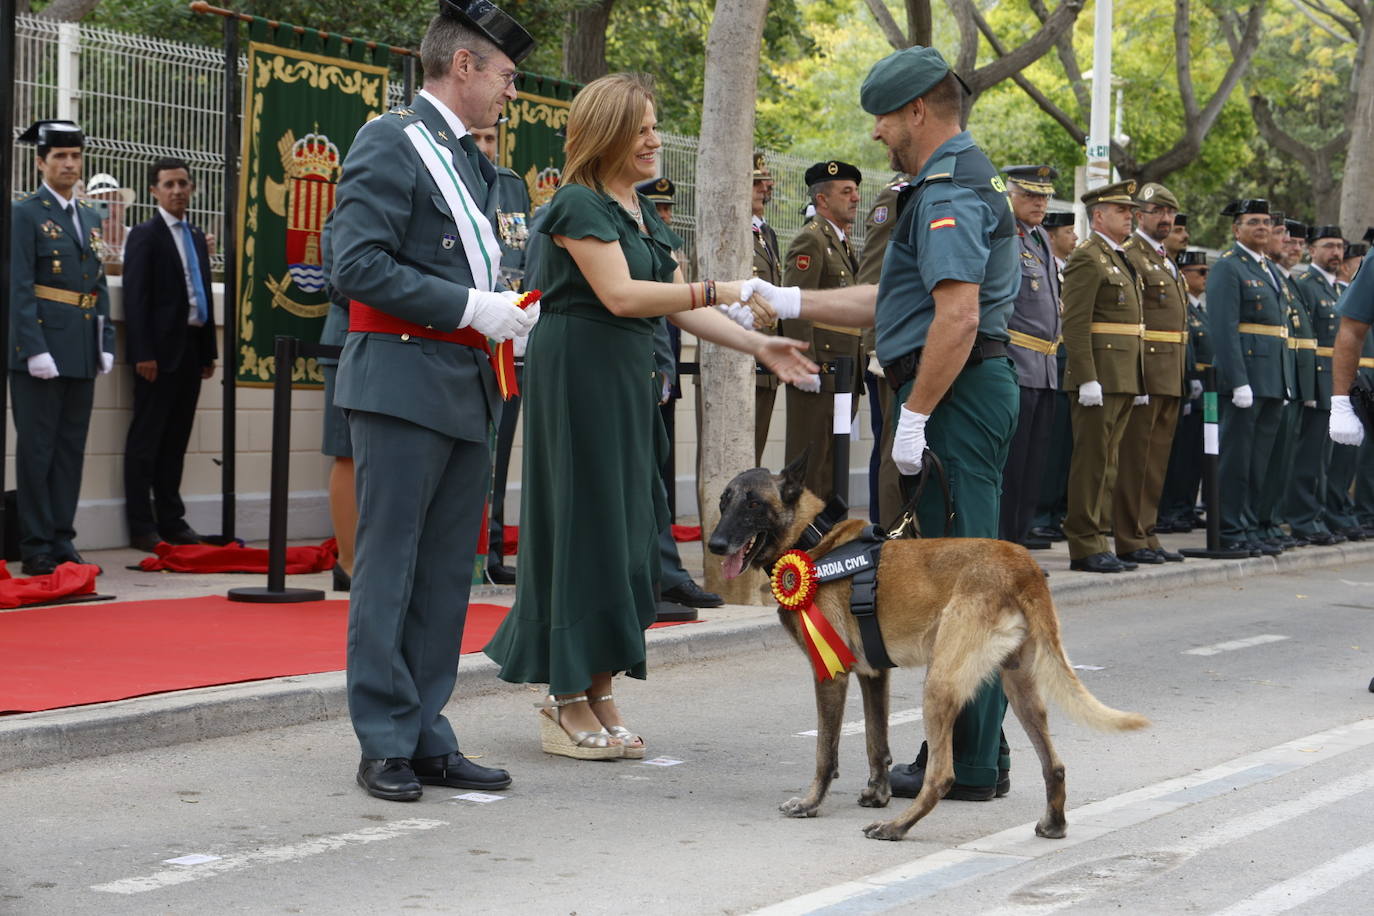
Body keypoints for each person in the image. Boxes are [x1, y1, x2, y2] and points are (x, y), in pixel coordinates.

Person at [483, 72, 816, 761]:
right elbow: (622, 296)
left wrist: (756, 341)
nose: (654, 138)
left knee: (627, 530)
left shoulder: (635, 208)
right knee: (583, 530)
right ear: (604, 134)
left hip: (626, 378)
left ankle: (599, 686)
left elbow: (670, 300)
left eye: (654, 124)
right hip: (579, 379)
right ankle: (564, 694)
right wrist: (730, 285)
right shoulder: (576, 204)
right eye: (639, 128)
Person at [738, 44, 1022, 803]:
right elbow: (891, 303)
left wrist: (916, 417)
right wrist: (790, 301)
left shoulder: (950, 188)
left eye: (884, 118)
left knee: (968, 584)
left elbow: (956, 318)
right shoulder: (941, 183)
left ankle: (965, 761)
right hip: (947, 393)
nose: (876, 135)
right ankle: (976, 751)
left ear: (917, 111)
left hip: (951, 397)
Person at [329, 0, 540, 801]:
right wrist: (467, 308)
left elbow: (482, 267)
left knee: (447, 573)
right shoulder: (391, 142)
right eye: (505, 76)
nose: (509, 92)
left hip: (466, 385)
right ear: (464, 67)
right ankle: (382, 738)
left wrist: (509, 311)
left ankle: (424, 732)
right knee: (392, 568)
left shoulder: (474, 163)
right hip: (403, 377)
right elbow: (356, 264)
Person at [9, 119, 115, 575]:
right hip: (40, 350)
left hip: (80, 348)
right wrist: (32, 348)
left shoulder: (90, 217)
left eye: (75, 156)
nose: (69, 164)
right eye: (60, 157)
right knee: (37, 449)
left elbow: (98, 284)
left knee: (71, 448)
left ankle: (61, 537)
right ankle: (34, 544)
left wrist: (105, 341)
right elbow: (17, 287)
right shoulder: (25, 213)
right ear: (41, 162)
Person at [122, 157, 218, 553]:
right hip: (157, 356)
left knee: (176, 441)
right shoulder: (145, 235)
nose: (177, 190)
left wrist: (208, 351)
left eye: (183, 183)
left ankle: (171, 520)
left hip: (191, 352)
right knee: (146, 441)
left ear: (192, 188)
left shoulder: (196, 236)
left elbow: (202, 294)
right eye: (168, 184)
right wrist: (142, 352)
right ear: (154, 191)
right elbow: (136, 297)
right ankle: (142, 526)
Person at [1061, 180, 1146, 573]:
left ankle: (1100, 537)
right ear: (1098, 215)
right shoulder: (1088, 257)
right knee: (1091, 462)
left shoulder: (1119, 256)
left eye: (1130, 211)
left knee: (1109, 463)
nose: (1130, 216)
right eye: (1121, 211)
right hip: (1100, 376)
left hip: (1123, 375)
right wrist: (1086, 377)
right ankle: (1083, 543)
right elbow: (1075, 324)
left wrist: (1139, 379)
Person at [1206, 199, 1287, 556]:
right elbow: (1223, 328)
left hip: (1270, 377)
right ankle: (1229, 527)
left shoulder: (1267, 267)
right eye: (1253, 221)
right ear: (1236, 228)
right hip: (1246, 379)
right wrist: (1238, 380)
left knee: (1259, 461)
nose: (1262, 227)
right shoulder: (1228, 267)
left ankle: (1251, 524)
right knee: (1236, 460)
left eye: (1267, 222)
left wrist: (1284, 381)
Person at [781, 160, 864, 502]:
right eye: (847, 192)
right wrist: (803, 366)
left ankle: (827, 541)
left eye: (856, 190)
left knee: (834, 462)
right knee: (810, 464)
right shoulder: (810, 241)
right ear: (822, 200)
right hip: (820, 370)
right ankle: (799, 546)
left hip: (844, 371)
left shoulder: (842, 243)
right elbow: (796, 306)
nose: (856, 198)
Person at [471, 123, 532, 585]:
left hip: (511, 339)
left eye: (490, 139)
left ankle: (491, 550)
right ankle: (467, 552)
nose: (484, 147)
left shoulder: (510, 185)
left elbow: (522, 256)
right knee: (471, 449)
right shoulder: (447, 176)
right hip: (466, 328)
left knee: (503, 450)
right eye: (476, 139)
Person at [1115, 182, 1188, 564]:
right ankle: (1128, 537)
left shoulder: (1163, 258)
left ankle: (1147, 531)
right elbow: (1134, 322)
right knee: (1135, 460)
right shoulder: (1132, 255)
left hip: (1169, 373)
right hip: (1145, 372)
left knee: (1156, 461)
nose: (1165, 219)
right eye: (1157, 211)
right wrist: (1138, 375)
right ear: (1140, 214)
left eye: (1169, 212)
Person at [997, 165, 1061, 552]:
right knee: (1013, 470)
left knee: (1033, 469)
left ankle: (1018, 548)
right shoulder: (1004, 234)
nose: (1040, 203)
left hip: (1046, 368)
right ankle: (1003, 549)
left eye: (1044, 196)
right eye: (1031, 195)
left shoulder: (1041, 239)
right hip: (1016, 365)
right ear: (1011, 195)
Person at [855, 168, 913, 525]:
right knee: (894, 449)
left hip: (923, 342)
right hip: (894, 348)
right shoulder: (896, 195)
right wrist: (877, 345)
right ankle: (889, 538)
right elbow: (873, 273)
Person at [1289, 225, 1347, 545]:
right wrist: (1308, 388)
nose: (1336, 253)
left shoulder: (1339, 290)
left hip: (1336, 382)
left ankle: (1317, 515)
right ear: (1312, 250)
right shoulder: (1306, 285)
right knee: (1308, 456)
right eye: (1328, 246)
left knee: (1326, 458)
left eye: (1339, 246)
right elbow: (1304, 342)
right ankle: (1301, 518)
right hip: (1317, 380)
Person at [1029, 210, 1078, 543]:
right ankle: (1037, 516)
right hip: (1043, 362)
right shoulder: (1045, 267)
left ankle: (1053, 512)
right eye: (1068, 231)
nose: (1074, 237)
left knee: (1061, 448)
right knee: (1044, 450)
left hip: (1062, 366)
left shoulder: (1065, 271)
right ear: (1051, 236)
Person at [1158, 250, 1211, 532]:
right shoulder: (1184, 307)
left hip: (1206, 390)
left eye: (1206, 272)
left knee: (1196, 455)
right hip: (1186, 384)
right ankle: (1171, 509)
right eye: (1199, 272)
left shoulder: (1201, 309)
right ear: (1184, 275)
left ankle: (1186, 506)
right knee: (1179, 455)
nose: (1205, 277)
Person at [317, 215, 354, 590]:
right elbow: (339, 282)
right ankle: (348, 562)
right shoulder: (344, 212)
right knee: (347, 453)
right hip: (346, 343)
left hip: (393, 344)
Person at [751, 153, 783, 463]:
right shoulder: (729, 229)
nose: (764, 187)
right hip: (740, 354)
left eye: (764, 181)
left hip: (765, 359)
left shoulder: (767, 234)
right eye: (756, 181)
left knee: (754, 451)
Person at [83, 172, 134, 266]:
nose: (109, 209)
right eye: (100, 204)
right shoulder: (85, 242)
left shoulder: (138, 237)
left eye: (113, 201)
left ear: (122, 206)